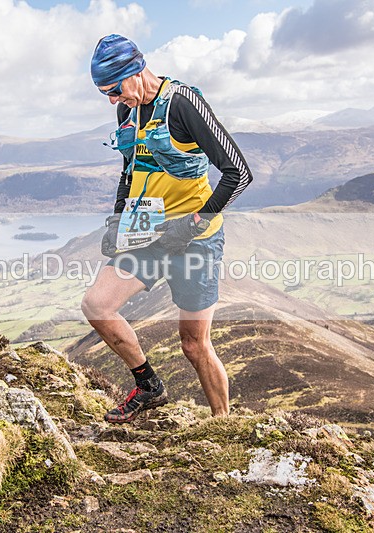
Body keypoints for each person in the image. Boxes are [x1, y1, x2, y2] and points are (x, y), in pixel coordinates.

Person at [81, 34, 253, 424]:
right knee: (96, 305)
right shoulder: (127, 109)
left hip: (195, 240)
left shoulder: (182, 103)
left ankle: (223, 424)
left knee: (194, 345)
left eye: (113, 89)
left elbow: (238, 173)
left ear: (135, 72)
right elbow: (130, 169)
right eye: (104, 93)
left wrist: (194, 224)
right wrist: (116, 218)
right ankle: (148, 386)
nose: (111, 99)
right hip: (146, 230)